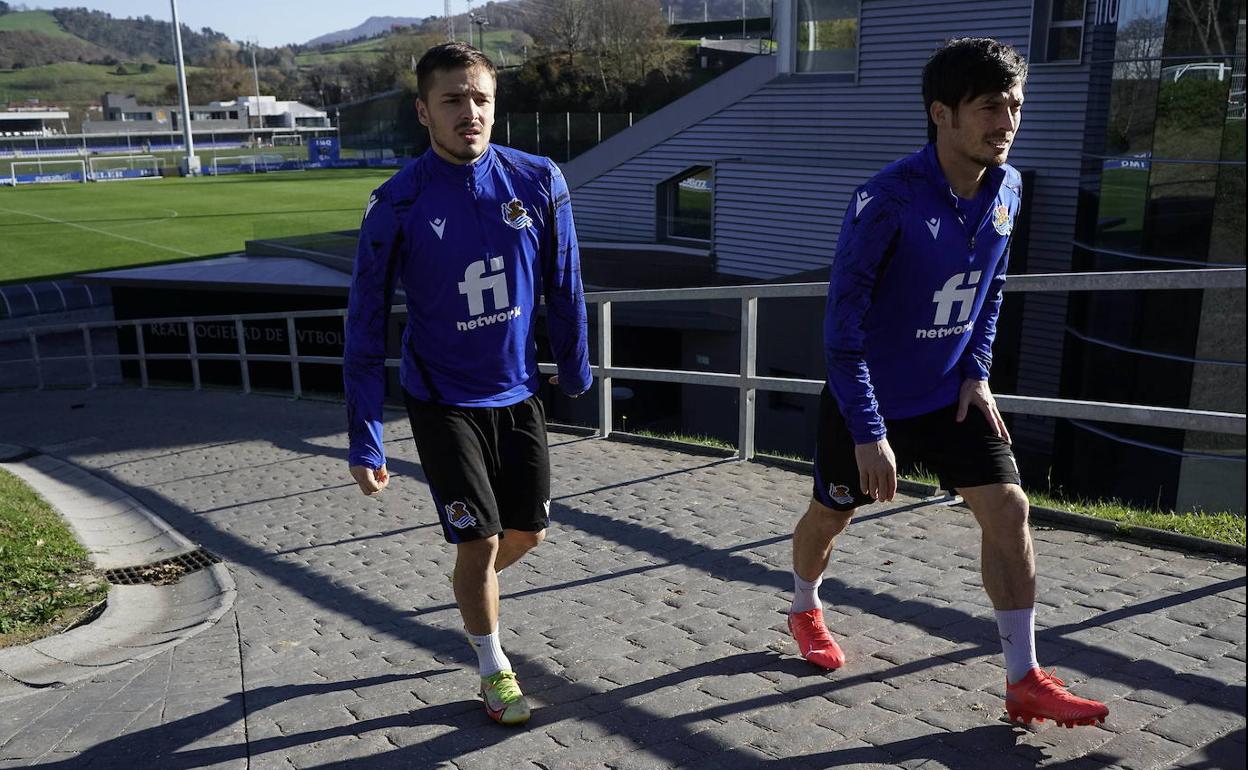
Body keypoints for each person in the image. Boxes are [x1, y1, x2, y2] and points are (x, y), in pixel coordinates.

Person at [787, 38, 1108, 728]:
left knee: (1011, 509)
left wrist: (977, 370)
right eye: (990, 106)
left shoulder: (1010, 187)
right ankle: (804, 605)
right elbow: (842, 328)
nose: (1008, 121)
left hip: (950, 397)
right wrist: (869, 433)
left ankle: (1022, 676)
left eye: (1016, 105)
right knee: (829, 517)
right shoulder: (886, 199)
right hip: (865, 401)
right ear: (941, 113)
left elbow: (991, 287)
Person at [343, 42, 591, 727]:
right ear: (424, 111)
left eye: (480, 98)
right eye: (452, 99)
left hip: (518, 392)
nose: (469, 112)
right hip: (442, 397)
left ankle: (468, 588)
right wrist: (366, 438)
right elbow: (364, 326)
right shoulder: (396, 203)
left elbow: (565, 285)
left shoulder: (540, 180)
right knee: (478, 542)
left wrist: (576, 368)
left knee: (528, 533)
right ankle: (493, 669)